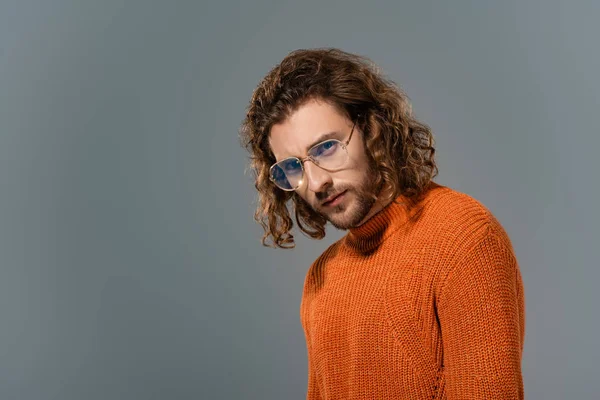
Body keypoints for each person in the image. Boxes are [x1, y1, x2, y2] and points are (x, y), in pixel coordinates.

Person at [239, 48, 526, 399]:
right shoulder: (321, 277)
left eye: (326, 148)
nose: (315, 183)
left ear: (372, 128)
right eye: (293, 167)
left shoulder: (464, 238)